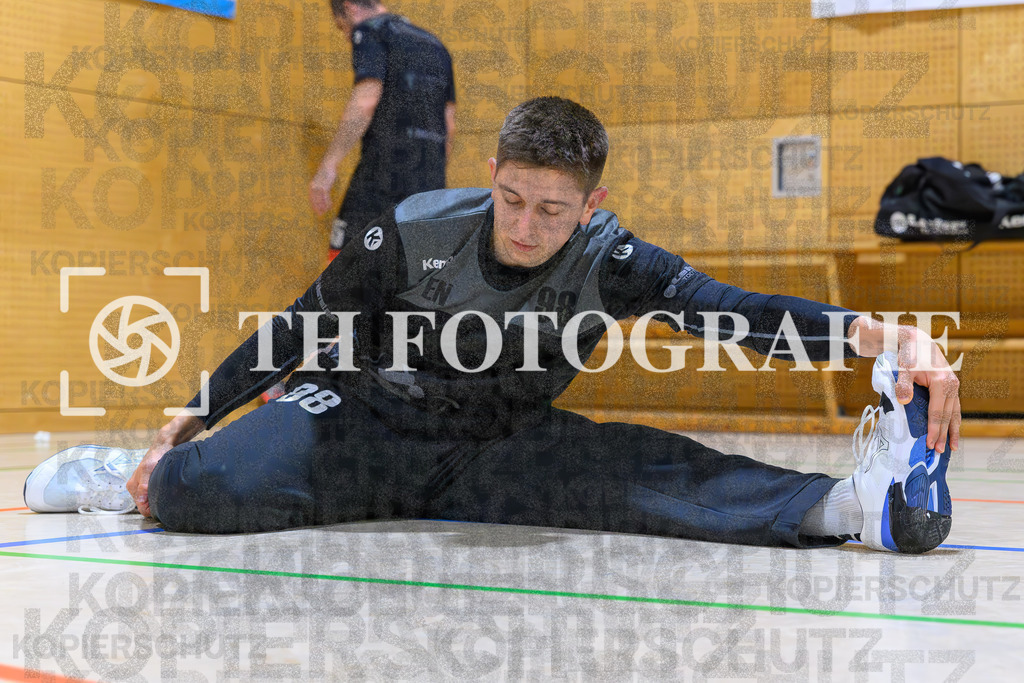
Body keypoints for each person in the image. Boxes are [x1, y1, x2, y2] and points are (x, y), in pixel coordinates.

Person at [25, 97, 960, 554]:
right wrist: (193, 410)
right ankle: (124, 478)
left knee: (643, 475)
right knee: (194, 495)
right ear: (491, 171)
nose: (524, 227)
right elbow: (303, 324)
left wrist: (891, 339)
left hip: (497, 441)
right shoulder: (416, 225)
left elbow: (739, 316)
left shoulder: (612, 260)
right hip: (362, 420)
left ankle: (855, 506)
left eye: (552, 211)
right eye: (511, 199)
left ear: (593, 204)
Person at [309, 0, 456, 260]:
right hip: (430, 182)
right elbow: (449, 126)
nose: (346, 36)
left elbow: (365, 101)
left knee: (344, 266)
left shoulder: (369, 30)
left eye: (341, 27)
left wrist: (328, 167)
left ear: (349, 7)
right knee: (409, 273)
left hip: (383, 174)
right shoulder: (436, 45)